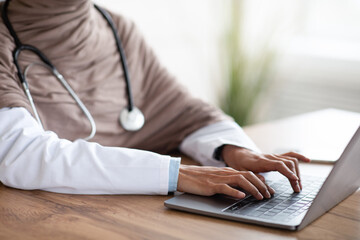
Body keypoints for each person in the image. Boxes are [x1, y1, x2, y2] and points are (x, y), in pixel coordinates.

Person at [0, 0, 310, 200]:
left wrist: (234, 150)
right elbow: (21, 155)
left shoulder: (117, 28)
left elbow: (185, 112)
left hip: (136, 211)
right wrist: (177, 174)